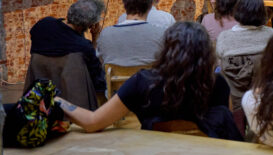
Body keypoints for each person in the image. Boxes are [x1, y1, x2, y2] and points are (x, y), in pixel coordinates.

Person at [56, 21, 241, 140]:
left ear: (166, 50)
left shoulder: (143, 83)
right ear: (206, 53)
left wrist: (56, 100)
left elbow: (92, 122)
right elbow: (225, 131)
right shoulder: (218, 84)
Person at [215, 0, 273, 117]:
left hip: (235, 102)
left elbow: (219, 62)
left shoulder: (224, 37)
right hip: (265, 100)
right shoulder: (271, 35)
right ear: (262, 12)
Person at [29, 0, 107, 94]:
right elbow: (96, 78)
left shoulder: (41, 26)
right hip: (71, 96)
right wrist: (95, 38)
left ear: (70, 11)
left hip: (39, 92)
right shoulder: (83, 46)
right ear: (90, 25)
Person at [97, 0, 166, 67]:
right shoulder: (161, 34)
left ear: (124, 3)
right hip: (151, 80)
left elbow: (100, 63)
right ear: (150, 5)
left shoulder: (105, 35)